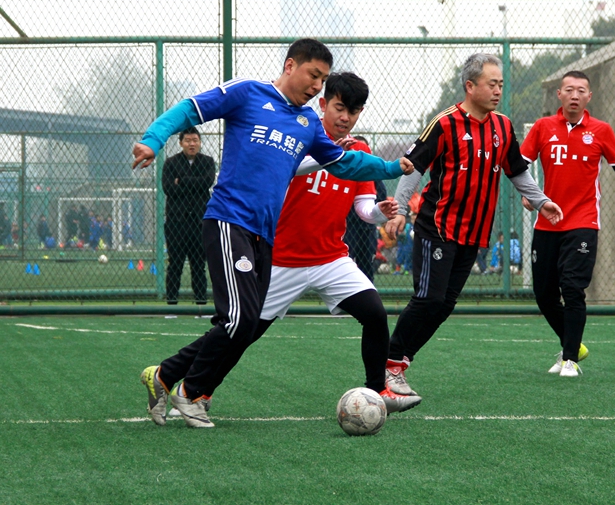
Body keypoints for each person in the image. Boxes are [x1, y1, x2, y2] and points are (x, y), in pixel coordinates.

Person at [134, 39, 413, 428]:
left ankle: (165, 375)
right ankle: (192, 393)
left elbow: (343, 163)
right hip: (230, 221)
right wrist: (153, 139)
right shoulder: (248, 92)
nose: (316, 85)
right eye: (313, 75)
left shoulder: (307, 123)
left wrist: (391, 168)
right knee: (238, 320)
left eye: (322, 79)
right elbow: (189, 109)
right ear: (290, 65)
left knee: (245, 324)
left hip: (267, 238)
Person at [211, 72, 420, 415]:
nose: (345, 117)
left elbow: (363, 208)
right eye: (339, 108)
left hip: (330, 259)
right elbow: (285, 170)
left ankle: (377, 390)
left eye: (353, 111)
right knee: (243, 331)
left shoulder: (360, 151)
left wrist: (379, 213)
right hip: (283, 259)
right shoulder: (300, 133)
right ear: (323, 104)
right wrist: (328, 157)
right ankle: (198, 389)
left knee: (374, 314)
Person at [383, 53, 564, 398]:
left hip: (473, 234)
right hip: (437, 228)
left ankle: (399, 363)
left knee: (444, 305)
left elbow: (517, 171)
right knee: (428, 299)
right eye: (491, 84)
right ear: (470, 86)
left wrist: (542, 201)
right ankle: (390, 363)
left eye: (501, 84)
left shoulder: (503, 127)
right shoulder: (444, 123)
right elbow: (413, 166)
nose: (498, 91)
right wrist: (400, 210)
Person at [520, 70, 615, 377]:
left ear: (589, 97)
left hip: (583, 221)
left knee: (573, 287)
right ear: (559, 95)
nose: (574, 95)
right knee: (544, 294)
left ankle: (570, 359)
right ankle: (573, 344)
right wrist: (531, 195)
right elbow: (520, 167)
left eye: (581, 90)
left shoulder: (601, 130)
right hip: (547, 222)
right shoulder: (542, 127)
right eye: (569, 90)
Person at [162, 127, 217, 305]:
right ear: (181, 143)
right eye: (188, 140)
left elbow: (206, 182)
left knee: (199, 265)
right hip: (176, 222)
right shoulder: (171, 163)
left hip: (200, 223)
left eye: (195, 140)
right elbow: (168, 188)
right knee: (175, 264)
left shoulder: (207, 162)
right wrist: (193, 184)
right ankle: (171, 304)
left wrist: (182, 181)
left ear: (200, 142)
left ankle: (201, 304)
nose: (191, 144)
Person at [344, 135, 387, 281]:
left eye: (364, 150)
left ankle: (367, 289)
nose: (360, 153)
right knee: (345, 263)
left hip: (367, 228)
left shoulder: (372, 173)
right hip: (348, 226)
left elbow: (381, 196)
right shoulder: (344, 171)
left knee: (366, 266)